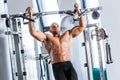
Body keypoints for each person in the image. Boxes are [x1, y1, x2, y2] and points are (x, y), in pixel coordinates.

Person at [27, 3, 86, 80]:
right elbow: (33, 32)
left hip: (68, 64)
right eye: (53, 26)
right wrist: (30, 15)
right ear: (50, 30)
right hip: (57, 66)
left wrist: (78, 10)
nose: (55, 26)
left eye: (57, 26)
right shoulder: (47, 38)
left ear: (60, 29)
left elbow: (82, 26)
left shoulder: (68, 34)